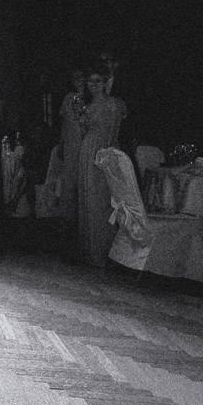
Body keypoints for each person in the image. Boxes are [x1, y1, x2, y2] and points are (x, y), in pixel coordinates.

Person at [77, 63, 127, 267]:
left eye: (98, 80)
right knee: (89, 198)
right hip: (87, 150)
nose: (93, 84)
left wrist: (108, 154)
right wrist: (81, 119)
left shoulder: (113, 104)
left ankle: (106, 251)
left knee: (103, 200)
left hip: (104, 151)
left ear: (105, 82)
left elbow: (114, 132)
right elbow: (83, 132)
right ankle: (91, 251)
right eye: (90, 81)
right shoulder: (87, 106)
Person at [58, 67, 87, 243]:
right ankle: (67, 228)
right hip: (70, 144)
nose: (77, 79)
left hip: (84, 144)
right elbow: (64, 124)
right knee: (68, 185)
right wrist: (61, 144)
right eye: (74, 76)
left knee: (82, 182)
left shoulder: (90, 98)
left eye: (80, 76)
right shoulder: (68, 98)